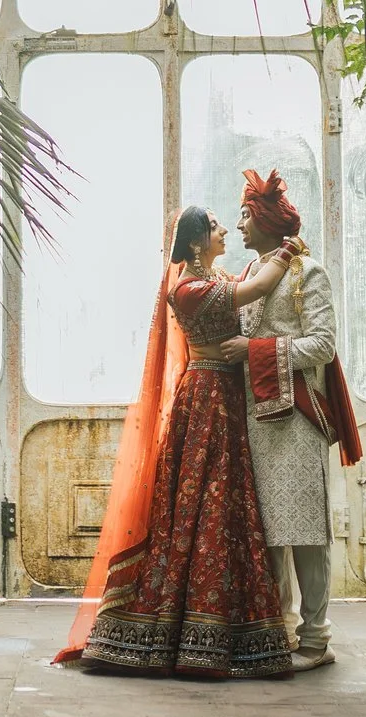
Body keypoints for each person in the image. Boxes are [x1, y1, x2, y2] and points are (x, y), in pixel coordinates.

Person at [54, 205, 304, 678]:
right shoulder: (188, 290)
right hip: (207, 398)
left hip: (226, 398)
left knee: (227, 506)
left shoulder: (213, 278)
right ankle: (190, 632)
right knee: (202, 507)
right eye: (214, 226)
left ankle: (224, 627)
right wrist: (288, 249)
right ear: (195, 242)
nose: (225, 229)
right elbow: (256, 288)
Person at [235, 168, 365, 672]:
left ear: (268, 220)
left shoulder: (307, 273)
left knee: (307, 532)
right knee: (266, 532)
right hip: (253, 420)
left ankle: (315, 640)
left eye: (247, 215)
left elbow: (323, 346)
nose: (240, 225)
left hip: (299, 420)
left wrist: (254, 350)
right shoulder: (246, 277)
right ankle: (280, 630)